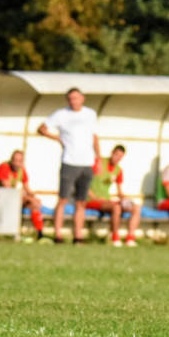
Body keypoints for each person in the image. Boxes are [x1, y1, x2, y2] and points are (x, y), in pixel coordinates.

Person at [36, 87, 101, 245]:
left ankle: (78, 236)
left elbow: (94, 136)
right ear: (67, 100)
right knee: (63, 199)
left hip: (87, 162)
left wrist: (98, 157)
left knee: (81, 201)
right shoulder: (61, 114)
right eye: (71, 98)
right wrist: (57, 138)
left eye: (76, 98)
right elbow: (41, 129)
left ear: (82, 98)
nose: (74, 101)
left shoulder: (90, 114)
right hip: (69, 161)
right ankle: (58, 235)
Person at [87, 144, 139, 247]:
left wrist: (125, 200)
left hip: (106, 201)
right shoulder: (99, 163)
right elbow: (84, 183)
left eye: (120, 157)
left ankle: (130, 238)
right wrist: (95, 198)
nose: (117, 158)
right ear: (112, 153)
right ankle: (115, 237)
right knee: (116, 207)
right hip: (91, 200)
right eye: (116, 155)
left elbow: (120, 191)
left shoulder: (118, 170)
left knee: (136, 207)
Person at [0, 149, 45, 241]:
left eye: (19, 161)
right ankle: (14, 233)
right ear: (11, 160)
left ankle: (40, 234)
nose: (16, 163)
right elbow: (8, 191)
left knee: (34, 204)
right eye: (14, 160)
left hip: (10, 198)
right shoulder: (4, 167)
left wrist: (34, 198)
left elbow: (27, 188)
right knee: (24, 200)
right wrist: (27, 198)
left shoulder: (21, 170)